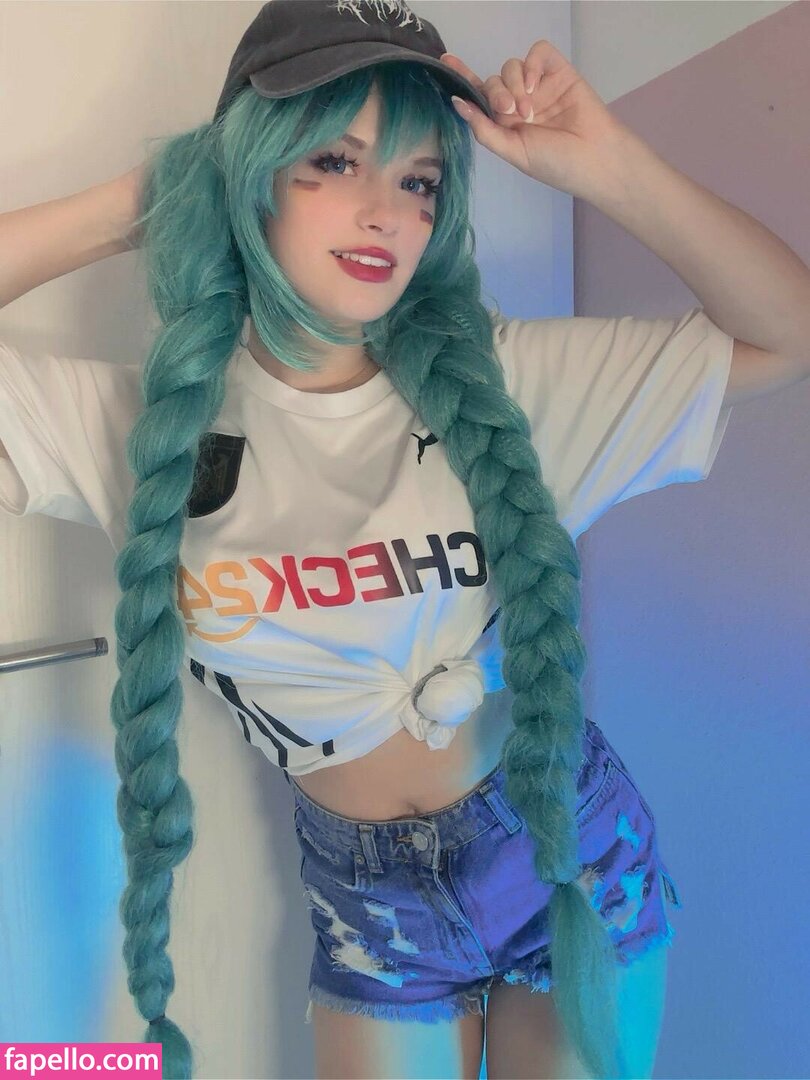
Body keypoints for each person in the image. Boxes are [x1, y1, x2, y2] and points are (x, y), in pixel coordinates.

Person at [5, 1, 808, 1078]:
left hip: (563, 855)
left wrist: (611, 166)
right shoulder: (150, 429)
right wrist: (145, 201)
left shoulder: (505, 384)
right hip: (370, 906)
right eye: (335, 162)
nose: (386, 213)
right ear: (251, 170)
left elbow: (787, 331)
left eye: (421, 181)